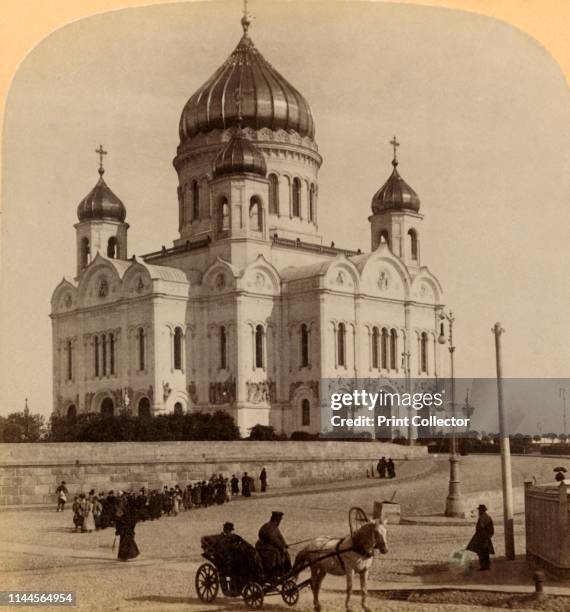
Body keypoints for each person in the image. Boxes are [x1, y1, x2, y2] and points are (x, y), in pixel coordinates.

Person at [255, 511, 291, 576]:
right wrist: (282, 547)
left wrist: (284, 544)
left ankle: (284, 571)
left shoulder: (272, 526)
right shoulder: (271, 527)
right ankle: (277, 571)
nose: (279, 522)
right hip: (265, 547)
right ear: (276, 520)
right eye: (279, 520)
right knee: (279, 553)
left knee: (283, 552)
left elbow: (280, 537)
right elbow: (274, 539)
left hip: (265, 546)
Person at [467, 504, 495, 570]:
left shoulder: (481, 518)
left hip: (482, 539)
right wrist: (489, 536)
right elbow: (492, 530)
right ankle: (487, 566)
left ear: (481, 510)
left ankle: (483, 567)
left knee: (481, 553)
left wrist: (481, 538)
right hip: (487, 538)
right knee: (486, 553)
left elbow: (480, 529)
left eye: (479, 510)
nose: (479, 511)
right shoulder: (488, 517)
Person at [115, 494, 140, 562]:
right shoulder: (121, 510)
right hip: (124, 528)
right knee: (125, 541)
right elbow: (118, 520)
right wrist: (118, 529)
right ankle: (125, 556)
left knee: (126, 541)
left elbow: (122, 519)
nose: (123, 503)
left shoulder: (125, 509)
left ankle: (125, 556)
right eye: (122, 502)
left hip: (126, 528)